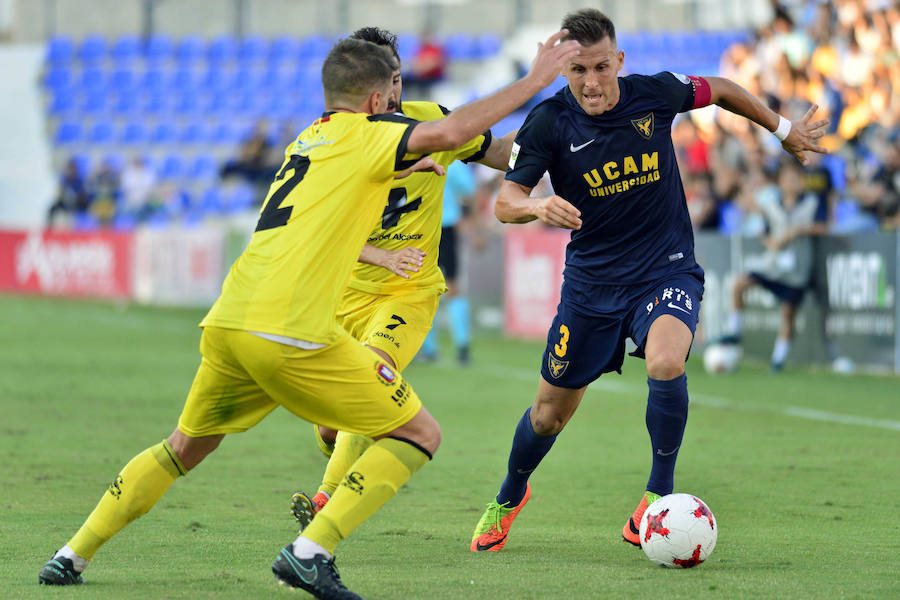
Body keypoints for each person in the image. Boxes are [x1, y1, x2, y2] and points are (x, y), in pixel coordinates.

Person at [38, 33, 579, 600]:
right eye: (390, 86)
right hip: (290, 327)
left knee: (184, 446)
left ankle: (70, 554)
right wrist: (537, 78)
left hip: (230, 320)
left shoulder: (309, 141)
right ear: (376, 98)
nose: (398, 94)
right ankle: (310, 550)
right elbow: (445, 134)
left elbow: (452, 151)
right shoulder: (371, 135)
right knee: (417, 433)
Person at [468, 8, 829, 554]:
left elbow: (725, 89)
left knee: (665, 361)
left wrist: (782, 130)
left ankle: (654, 499)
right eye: (578, 71)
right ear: (565, 71)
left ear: (619, 60)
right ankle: (511, 493)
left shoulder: (655, 93)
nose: (591, 82)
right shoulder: (549, 122)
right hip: (591, 286)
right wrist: (538, 205)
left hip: (666, 266)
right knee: (548, 416)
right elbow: (505, 201)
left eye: (600, 67)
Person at [288, 25, 515, 530]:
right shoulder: (334, 139)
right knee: (331, 426)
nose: (395, 86)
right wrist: (378, 256)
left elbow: (500, 153)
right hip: (345, 295)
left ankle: (324, 502)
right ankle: (334, 450)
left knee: (373, 372)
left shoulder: (432, 122)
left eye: (397, 73)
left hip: (407, 291)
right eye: (384, 77)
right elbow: (315, 227)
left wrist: (557, 126)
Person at [722, 159, 829, 372]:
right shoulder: (772, 205)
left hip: (797, 268)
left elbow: (823, 227)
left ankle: (778, 360)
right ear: (780, 182)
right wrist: (771, 241)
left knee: (788, 313)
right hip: (772, 264)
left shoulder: (813, 202)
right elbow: (764, 231)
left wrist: (798, 231)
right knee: (740, 284)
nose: (792, 183)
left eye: (796, 179)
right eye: (787, 179)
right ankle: (734, 330)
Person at [418, 161, 479, 364]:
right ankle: (460, 346)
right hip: (444, 228)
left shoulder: (414, 152)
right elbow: (469, 193)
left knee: (425, 288)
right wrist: (474, 227)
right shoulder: (452, 160)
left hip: (423, 230)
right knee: (449, 287)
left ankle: (429, 349)